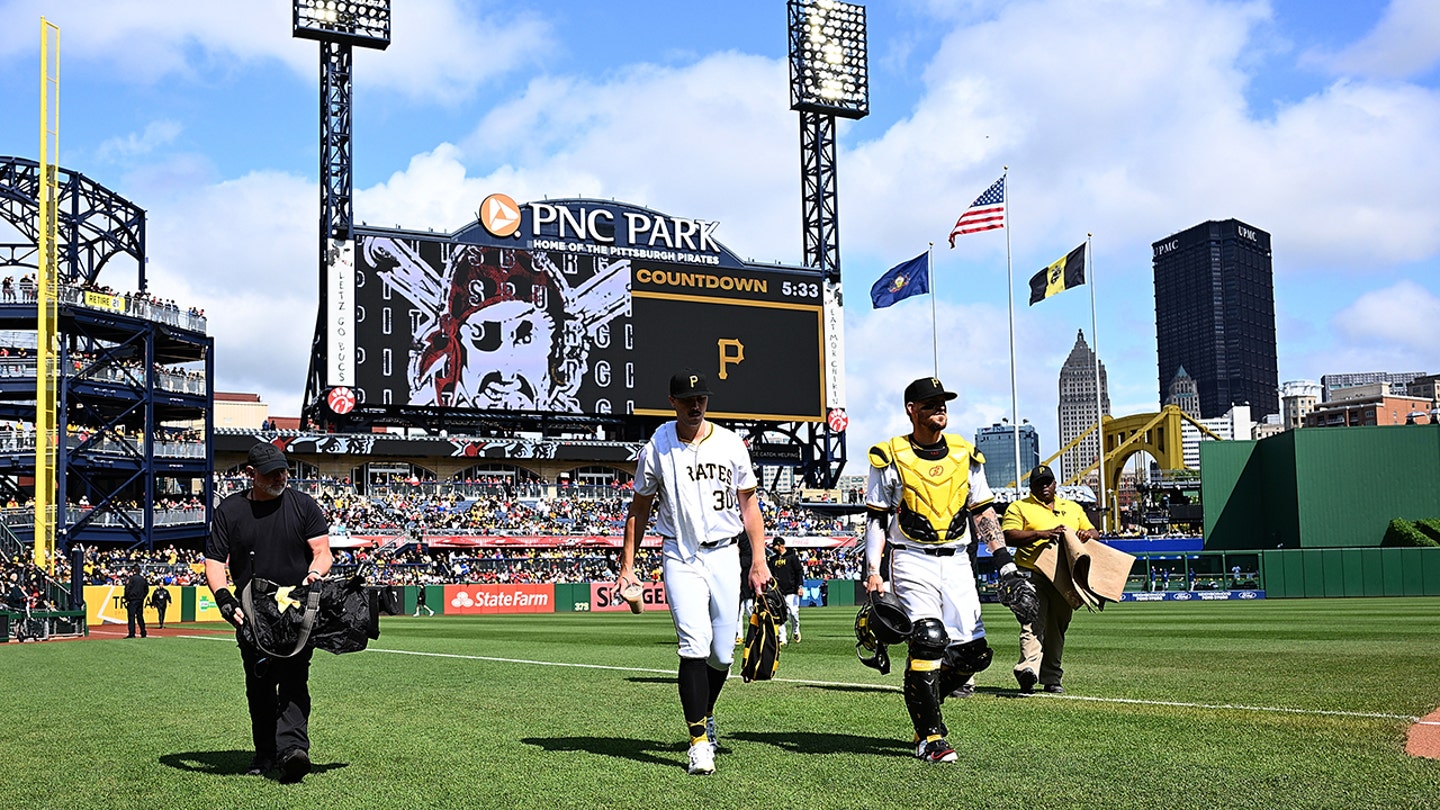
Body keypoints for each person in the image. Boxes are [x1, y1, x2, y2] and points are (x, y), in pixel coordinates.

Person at [616, 369, 772, 776]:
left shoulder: (732, 443)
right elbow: (639, 508)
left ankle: (705, 712)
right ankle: (698, 741)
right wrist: (627, 567)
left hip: (725, 554)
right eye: (687, 398)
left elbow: (750, 506)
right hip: (681, 556)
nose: (695, 404)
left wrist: (759, 559)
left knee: (723, 654)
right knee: (694, 645)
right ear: (672, 402)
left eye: (700, 397)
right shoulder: (659, 445)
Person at [864, 377, 1026, 764]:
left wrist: (1004, 562)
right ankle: (930, 736)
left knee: (973, 652)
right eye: (931, 403)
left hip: (957, 558)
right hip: (911, 556)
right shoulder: (890, 456)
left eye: (943, 402)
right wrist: (873, 571)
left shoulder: (965, 453)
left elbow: (983, 511)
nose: (940, 408)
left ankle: (922, 697)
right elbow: (875, 518)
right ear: (911, 409)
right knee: (929, 637)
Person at [205, 442, 332, 784]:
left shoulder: (304, 505)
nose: (281, 477)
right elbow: (215, 562)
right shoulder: (230, 511)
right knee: (259, 689)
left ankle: (293, 751)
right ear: (251, 474)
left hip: (295, 612)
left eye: (285, 470)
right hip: (251, 614)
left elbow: (322, 552)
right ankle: (264, 755)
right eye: (272, 472)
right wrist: (223, 599)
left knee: (294, 681)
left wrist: (315, 573)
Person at [1000, 464, 1099, 695]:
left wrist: (1087, 534)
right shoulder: (1019, 507)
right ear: (1031, 486)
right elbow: (1008, 535)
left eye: (1048, 482)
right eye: (1039, 483)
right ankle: (1028, 671)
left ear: (1055, 484)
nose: (1044, 487)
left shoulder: (1072, 507)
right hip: (1032, 573)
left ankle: (1052, 677)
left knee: (1058, 627)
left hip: (1064, 575)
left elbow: (1094, 532)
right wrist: (1041, 534)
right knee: (1032, 622)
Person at [770, 538, 803, 644]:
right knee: (780, 615)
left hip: (791, 590)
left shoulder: (792, 557)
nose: (773, 547)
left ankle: (796, 630)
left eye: (775, 545)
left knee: (793, 613)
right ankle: (782, 638)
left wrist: (800, 586)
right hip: (778, 591)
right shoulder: (772, 560)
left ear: (780, 545)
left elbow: (799, 572)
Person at [123, 569, 149, 638]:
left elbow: (127, 589)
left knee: (131, 617)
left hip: (132, 600)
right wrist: (142, 597)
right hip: (140, 600)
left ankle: (132, 633)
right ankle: (143, 632)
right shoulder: (143, 579)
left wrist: (127, 598)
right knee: (140, 616)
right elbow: (146, 590)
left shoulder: (131, 579)